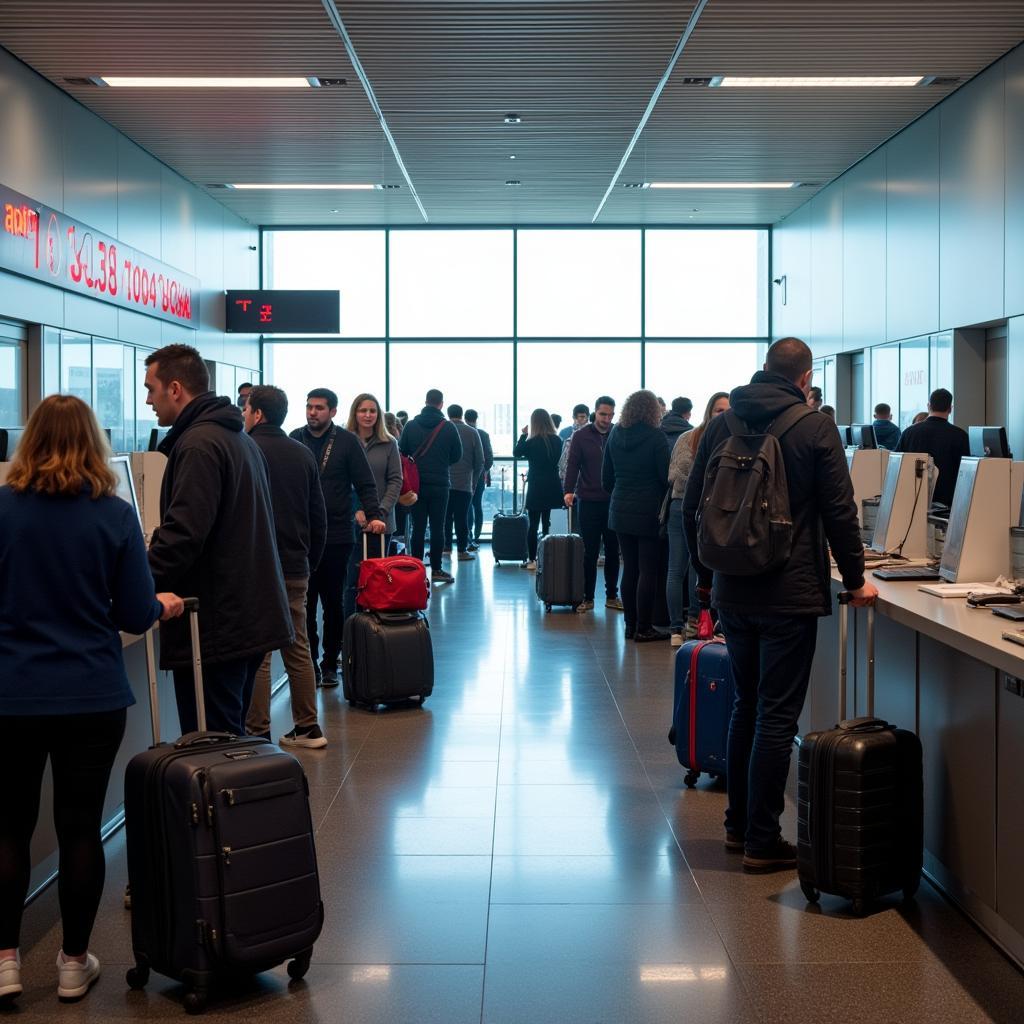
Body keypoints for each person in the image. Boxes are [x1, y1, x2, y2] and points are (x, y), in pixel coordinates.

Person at [0, 396, 183, 1004]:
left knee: (8, 831)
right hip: (90, 695)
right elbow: (134, 610)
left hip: (11, 694)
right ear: (92, 443)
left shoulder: (1, 509)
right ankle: (74, 965)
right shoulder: (113, 514)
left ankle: (5, 963)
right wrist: (164, 605)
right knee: (80, 829)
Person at [683, 337, 875, 874]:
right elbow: (840, 513)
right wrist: (856, 580)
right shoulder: (814, 426)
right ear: (805, 377)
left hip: (732, 589)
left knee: (746, 704)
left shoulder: (722, 424)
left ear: (765, 369)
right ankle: (763, 840)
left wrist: (707, 582)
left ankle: (739, 827)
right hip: (787, 593)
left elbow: (692, 507)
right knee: (775, 715)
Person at [145, 344, 292, 734]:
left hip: (217, 623)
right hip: (245, 614)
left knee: (212, 748)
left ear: (175, 389)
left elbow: (184, 534)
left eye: (151, 389)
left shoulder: (198, 445)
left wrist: (138, 581)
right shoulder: (235, 438)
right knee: (230, 741)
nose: (148, 400)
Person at [243, 386, 328, 748]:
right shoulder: (302, 453)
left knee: (259, 653)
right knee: (298, 645)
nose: (243, 415)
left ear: (258, 414)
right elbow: (318, 517)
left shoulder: (243, 450)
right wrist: (309, 561)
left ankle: (259, 732)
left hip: (256, 566)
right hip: (296, 565)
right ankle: (308, 727)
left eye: (246, 409)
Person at [290, 388, 385, 688]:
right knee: (304, 603)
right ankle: (309, 663)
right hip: (301, 535)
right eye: (309, 407)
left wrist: (375, 514)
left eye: (319, 408)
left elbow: (365, 483)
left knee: (332, 601)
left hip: (336, 535)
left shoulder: (346, 442)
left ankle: (330, 662)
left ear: (332, 412)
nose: (312, 412)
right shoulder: (294, 438)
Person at [602, 390, 671, 641]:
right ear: (653, 411)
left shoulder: (615, 434)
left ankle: (630, 626)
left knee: (629, 568)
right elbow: (666, 477)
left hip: (619, 510)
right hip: (648, 511)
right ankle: (644, 628)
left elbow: (606, 479)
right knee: (647, 571)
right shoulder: (656, 437)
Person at [666, 392, 729, 645]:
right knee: (677, 568)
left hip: (710, 510)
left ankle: (695, 622)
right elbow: (675, 475)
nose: (723, 416)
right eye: (718, 411)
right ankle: (675, 628)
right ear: (708, 411)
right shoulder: (689, 437)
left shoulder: (730, 439)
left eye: (727, 411)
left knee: (699, 567)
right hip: (683, 507)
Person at [563, 396, 621, 613]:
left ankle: (612, 596)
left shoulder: (618, 433)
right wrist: (568, 490)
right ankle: (588, 597)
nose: (607, 419)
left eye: (610, 415)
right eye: (603, 414)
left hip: (614, 501)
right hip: (588, 500)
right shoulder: (581, 436)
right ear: (595, 412)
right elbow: (573, 464)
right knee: (590, 552)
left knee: (614, 551)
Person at [345, 392, 403, 613]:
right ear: (355, 413)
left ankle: (375, 630)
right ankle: (350, 632)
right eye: (363, 410)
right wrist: (356, 509)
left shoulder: (389, 443)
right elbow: (342, 480)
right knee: (351, 580)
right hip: (350, 520)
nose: (367, 415)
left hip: (382, 521)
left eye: (372, 411)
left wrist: (379, 511)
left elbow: (395, 480)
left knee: (376, 578)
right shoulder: (345, 441)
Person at [399, 389, 463, 584]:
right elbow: (457, 455)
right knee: (438, 527)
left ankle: (417, 569)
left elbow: (402, 451)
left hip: (416, 486)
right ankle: (436, 569)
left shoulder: (410, 426)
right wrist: (441, 462)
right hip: (441, 484)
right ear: (441, 404)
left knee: (418, 527)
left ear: (425, 402)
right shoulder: (449, 427)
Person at [896, 388, 970, 508]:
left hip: (913, 500)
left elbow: (898, 467)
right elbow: (965, 474)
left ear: (929, 406)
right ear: (950, 409)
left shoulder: (909, 433)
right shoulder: (960, 435)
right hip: (947, 503)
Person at [514, 409, 563, 570]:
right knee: (546, 522)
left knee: (533, 524)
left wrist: (523, 434)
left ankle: (532, 560)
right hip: (552, 484)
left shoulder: (531, 441)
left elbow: (516, 452)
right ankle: (547, 558)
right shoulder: (557, 440)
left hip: (536, 485)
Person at [443, 405, 484, 561]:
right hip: (464, 483)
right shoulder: (472, 432)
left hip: (444, 482)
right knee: (462, 518)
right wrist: (474, 480)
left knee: (445, 518)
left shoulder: (443, 430)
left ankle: (446, 547)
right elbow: (480, 460)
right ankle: (461, 550)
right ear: (461, 415)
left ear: (448, 414)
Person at [465, 409, 493, 548]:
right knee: (477, 505)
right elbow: (489, 459)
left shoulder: (460, 432)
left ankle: (468, 535)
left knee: (466, 505)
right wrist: (483, 471)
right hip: (480, 476)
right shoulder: (483, 434)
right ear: (476, 419)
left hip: (462, 476)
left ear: (465, 418)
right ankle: (477, 536)